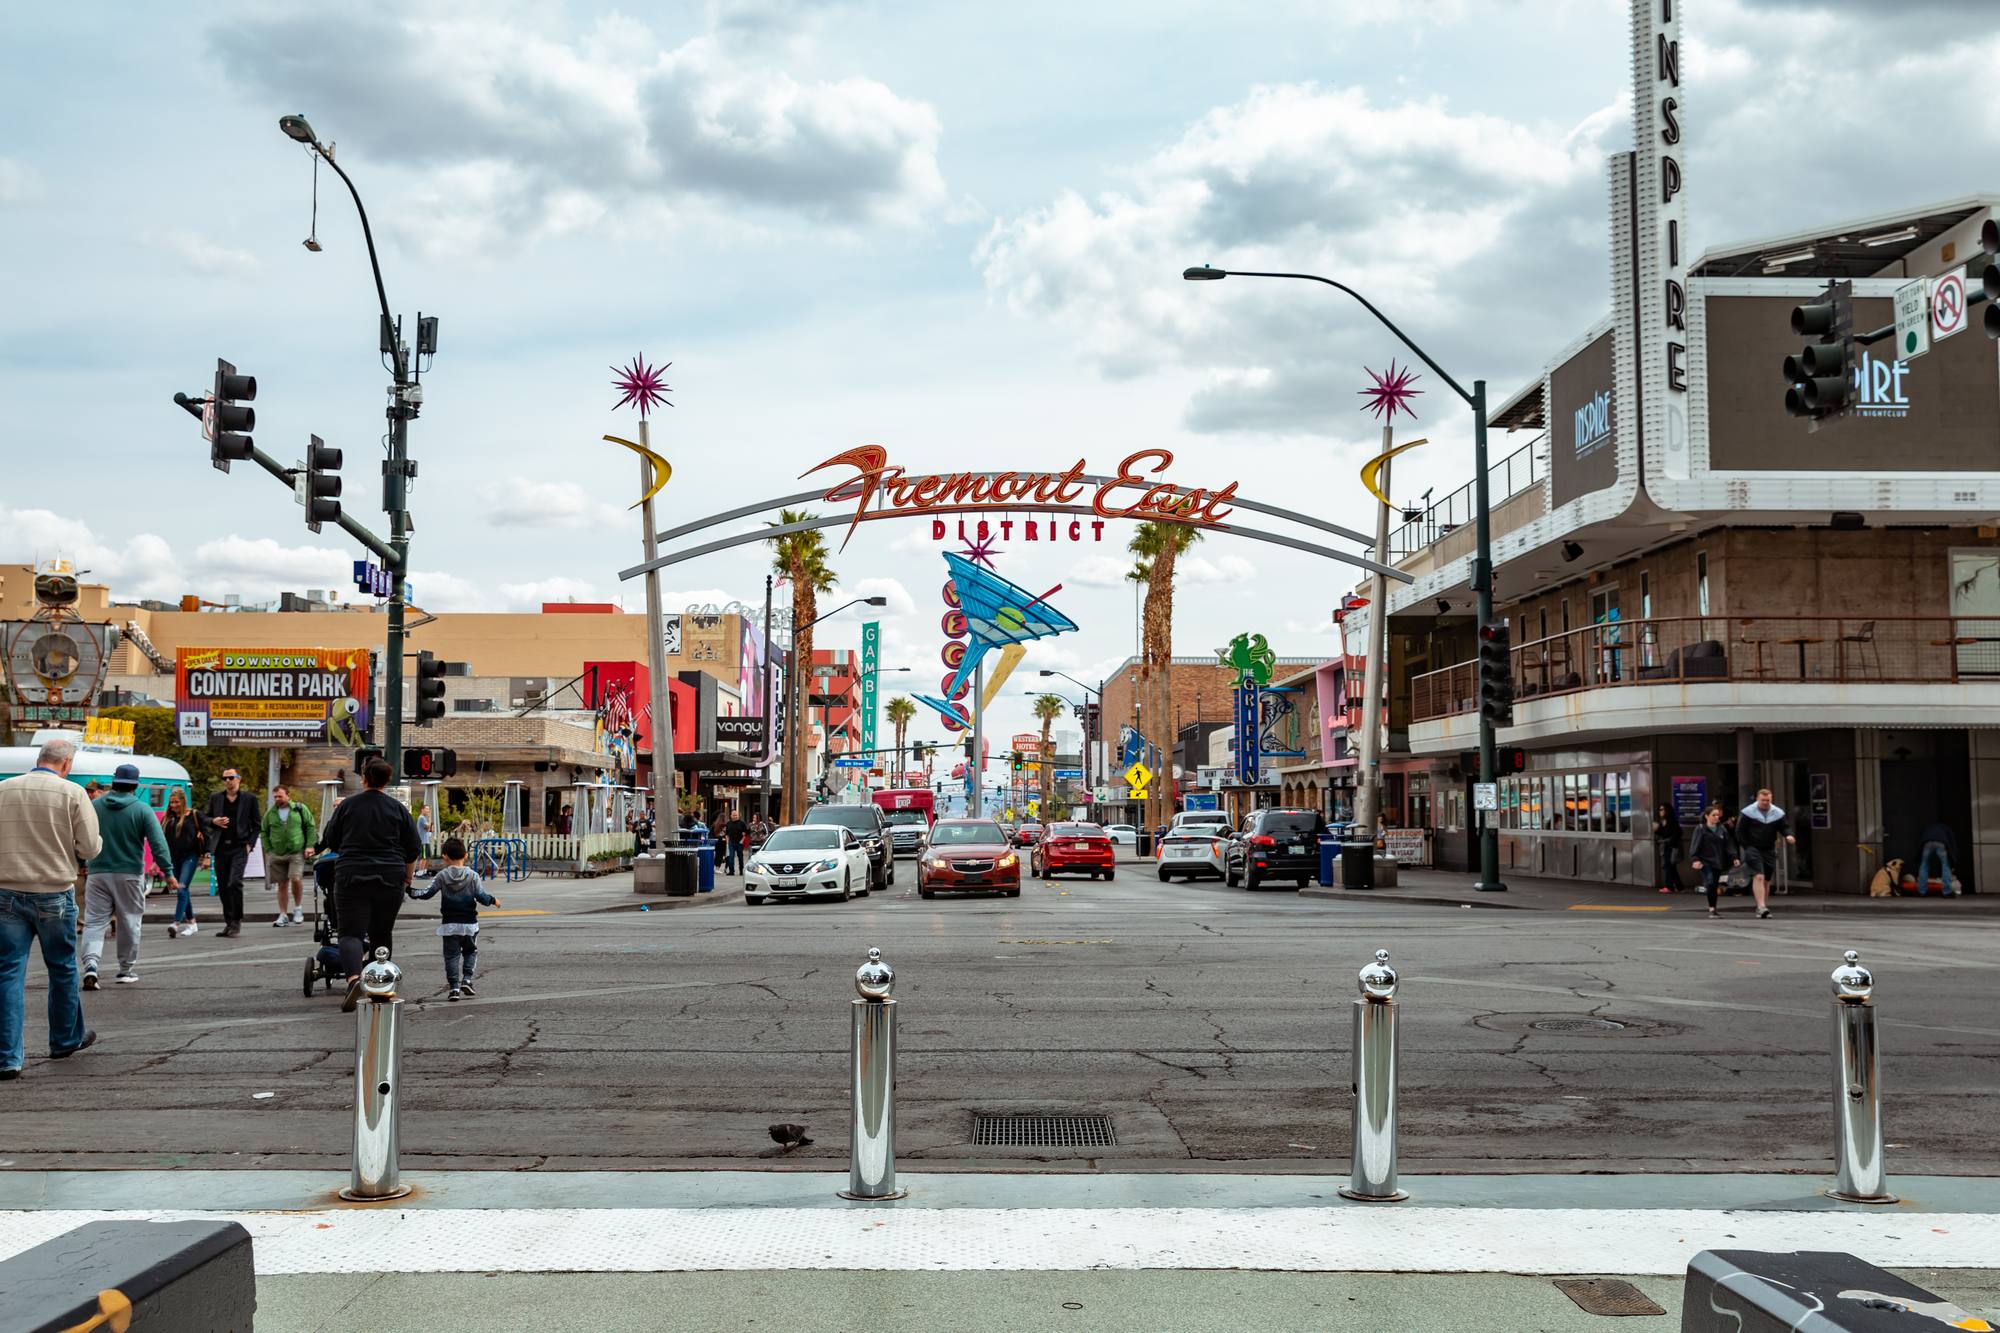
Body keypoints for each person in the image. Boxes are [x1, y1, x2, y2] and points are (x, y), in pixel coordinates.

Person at [0, 735, 102, 1078]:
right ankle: (64, 1039)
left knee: (8, 972)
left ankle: (7, 1057)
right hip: (55, 892)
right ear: (67, 764)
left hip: (6, 892)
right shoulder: (72, 793)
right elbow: (89, 848)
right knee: (61, 968)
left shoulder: (4, 789)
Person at [318, 757, 422, 1013]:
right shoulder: (398, 809)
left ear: (363, 778)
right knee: (381, 931)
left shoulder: (348, 806)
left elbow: (331, 839)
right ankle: (378, 983)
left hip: (352, 874)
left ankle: (354, 978)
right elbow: (413, 849)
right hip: (390, 876)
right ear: (387, 780)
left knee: (350, 932)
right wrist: (407, 878)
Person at [80, 763, 178, 988]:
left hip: (97, 872)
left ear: (114, 781)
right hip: (129, 873)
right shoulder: (142, 810)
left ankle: (91, 966)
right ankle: (125, 969)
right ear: (135, 784)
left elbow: (80, 835)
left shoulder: (94, 806)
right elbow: (158, 844)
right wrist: (169, 872)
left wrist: (83, 860)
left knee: (94, 922)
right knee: (129, 921)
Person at [406, 836, 499, 1001]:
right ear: (465, 856)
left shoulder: (442, 876)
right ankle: (468, 980)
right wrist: (493, 900)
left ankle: (454, 988)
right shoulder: (472, 876)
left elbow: (427, 893)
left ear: (445, 856)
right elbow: (481, 896)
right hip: (469, 924)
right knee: (471, 952)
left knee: (451, 956)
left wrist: (411, 891)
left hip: (449, 925)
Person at [202, 767, 260, 937]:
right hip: (220, 847)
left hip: (240, 847)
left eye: (231, 778)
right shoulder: (216, 798)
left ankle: (237, 920)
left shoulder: (249, 799)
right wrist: (214, 820)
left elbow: (257, 825)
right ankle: (229, 922)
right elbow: (204, 818)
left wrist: (250, 844)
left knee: (234, 882)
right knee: (223, 886)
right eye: (225, 778)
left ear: (239, 779)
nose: (227, 781)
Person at [260, 786, 316, 928]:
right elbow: (264, 831)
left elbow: (310, 826)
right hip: (277, 853)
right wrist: (268, 849)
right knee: (282, 884)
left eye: (280, 796)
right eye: (275, 797)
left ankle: (298, 908)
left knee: (296, 878)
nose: (277, 799)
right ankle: (283, 914)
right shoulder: (270, 813)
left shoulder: (299, 808)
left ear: (288, 796)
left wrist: (310, 845)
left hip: (296, 851)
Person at [1736, 788, 1793, 920]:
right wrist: (1746, 847)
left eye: (1768, 800)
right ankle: (1762, 906)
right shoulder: (1748, 812)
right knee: (1759, 876)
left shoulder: (1777, 813)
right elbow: (1740, 831)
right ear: (1757, 799)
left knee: (1767, 879)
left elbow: (1784, 827)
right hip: (1752, 848)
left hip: (1768, 848)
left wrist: (1788, 835)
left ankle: (1762, 907)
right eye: (1763, 800)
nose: (1765, 803)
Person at [161, 788, 206, 937]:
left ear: (183, 801)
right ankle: (192, 923)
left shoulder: (193, 815)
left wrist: (206, 856)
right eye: (171, 802)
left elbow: (206, 832)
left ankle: (176, 923)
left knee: (181, 888)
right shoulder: (168, 819)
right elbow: (163, 841)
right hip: (174, 858)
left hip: (190, 856)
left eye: (176, 802)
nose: (173, 805)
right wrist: (158, 861)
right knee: (183, 891)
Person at [1687, 805, 1739, 919]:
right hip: (1704, 861)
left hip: (1717, 861)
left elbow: (1728, 844)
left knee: (1714, 884)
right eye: (1713, 815)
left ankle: (1713, 908)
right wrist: (1695, 859)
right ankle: (1711, 909)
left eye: (1717, 815)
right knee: (1710, 880)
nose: (1716, 818)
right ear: (1706, 816)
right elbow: (1695, 845)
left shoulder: (1722, 829)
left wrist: (1734, 856)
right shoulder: (1701, 829)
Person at [1916, 819, 1959, 896]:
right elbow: (1952, 842)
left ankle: (1921, 891)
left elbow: (1920, 838)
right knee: (1945, 865)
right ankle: (1947, 892)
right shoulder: (1945, 827)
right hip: (1941, 842)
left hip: (1927, 842)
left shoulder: (1928, 827)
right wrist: (1953, 860)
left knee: (1924, 865)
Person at [1654, 803, 1683, 894]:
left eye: (1662, 809)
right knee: (1671, 867)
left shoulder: (1672, 822)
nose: (1660, 812)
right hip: (1666, 846)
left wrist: (1670, 841)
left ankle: (1669, 886)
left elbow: (1678, 833)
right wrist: (1657, 830)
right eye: (1659, 809)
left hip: (1672, 846)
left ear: (1667, 811)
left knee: (1669, 866)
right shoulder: (1662, 822)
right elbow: (1662, 834)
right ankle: (1679, 886)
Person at [724, 810, 749, 875]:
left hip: (739, 843)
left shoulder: (742, 823)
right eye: (733, 815)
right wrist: (727, 841)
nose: (735, 816)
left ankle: (741, 870)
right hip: (731, 843)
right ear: (731, 816)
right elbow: (726, 833)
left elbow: (745, 833)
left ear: (738, 815)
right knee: (731, 857)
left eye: (736, 815)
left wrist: (742, 840)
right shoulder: (728, 823)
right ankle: (731, 871)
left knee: (740, 857)